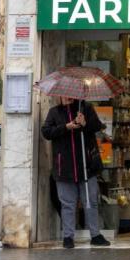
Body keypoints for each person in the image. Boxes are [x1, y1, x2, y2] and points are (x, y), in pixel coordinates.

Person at [41, 95, 110, 249]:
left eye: (70, 94)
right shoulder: (54, 112)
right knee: (67, 204)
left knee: (91, 202)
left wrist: (85, 123)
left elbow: (98, 126)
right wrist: (66, 127)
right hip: (64, 166)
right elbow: (46, 132)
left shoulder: (86, 108)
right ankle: (68, 237)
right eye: (64, 94)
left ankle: (95, 234)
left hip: (87, 166)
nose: (67, 97)